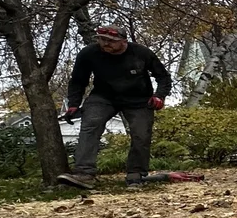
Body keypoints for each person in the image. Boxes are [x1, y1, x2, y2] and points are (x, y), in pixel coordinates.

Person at [57, 26, 171, 189]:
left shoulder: (141, 53)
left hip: (138, 99)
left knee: (141, 134)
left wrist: (159, 95)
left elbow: (163, 77)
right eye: (101, 39)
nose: (105, 44)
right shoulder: (89, 53)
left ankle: (135, 174)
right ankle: (84, 173)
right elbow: (78, 81)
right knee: (90, 125)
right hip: (103, 97)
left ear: (123, 41)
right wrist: (74, 104)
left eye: (110, 41)